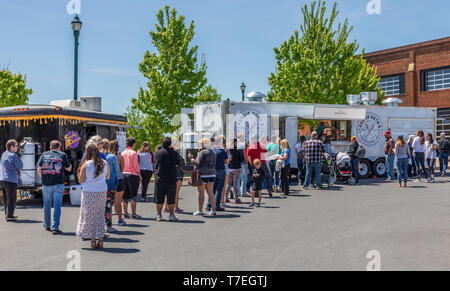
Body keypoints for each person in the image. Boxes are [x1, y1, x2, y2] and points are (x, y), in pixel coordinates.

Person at [76, 144, 110, 249]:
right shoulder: (105, 163)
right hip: (102, 191)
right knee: (100, 215)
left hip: (89, 192)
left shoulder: (86, 164)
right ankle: (100, 239)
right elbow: (108, 177)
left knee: (89, 216)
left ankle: (93, 241)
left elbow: (80, 180)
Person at [36, 140, 72, 234]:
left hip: (46, 184)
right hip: (58, 184)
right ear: (59, 147)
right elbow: (69, 168)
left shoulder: (44, 154)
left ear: (50, 147)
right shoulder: (62, 155)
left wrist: (42, 179)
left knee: (47, 205)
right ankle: (55, 227)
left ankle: (47, 225)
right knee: (57, 206)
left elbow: (39, 169)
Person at [188, 138, 217, 216]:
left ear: (204, 144)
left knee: (201, 193)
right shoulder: (213, 152)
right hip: (212, 174)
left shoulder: (202, 152)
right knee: (211, 193)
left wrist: (191, 158)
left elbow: (197, 163)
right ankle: (213, 211)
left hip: (203, 174)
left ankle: (200, 210)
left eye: (201, 143)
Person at [154, 137, 180, 221]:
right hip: (171, 178)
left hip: (160, 177)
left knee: (159, 199)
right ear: (170, 144)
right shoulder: (174, 153)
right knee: (171, 198)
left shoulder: (157, 153)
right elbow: (178, 163)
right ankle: (171, 215)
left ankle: (159, 215)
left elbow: (156, 164)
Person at [0, 140, 23, 222]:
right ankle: (9, 216)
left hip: (3, 179)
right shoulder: (13, 156)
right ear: (11, 147)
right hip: (11, 179)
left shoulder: (4, 154)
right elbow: (20, 166)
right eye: (16, 146)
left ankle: (8, 214)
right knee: (12, 198)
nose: (17, 147)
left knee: (7, 198)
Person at [121, 137, 142, 219]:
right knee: (133, 195)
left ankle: (125, 213)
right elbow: (136, 166)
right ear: (133, 144)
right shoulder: (134, 153)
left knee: (125, 196)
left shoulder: (122, 153)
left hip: (124, 174)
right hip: (132, 175)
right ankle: (133, 214)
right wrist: (139, 174)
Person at [207, 136, 228, 212]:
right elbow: (226, 162)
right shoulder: (223, 151)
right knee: (219, 189)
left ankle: (209, 204)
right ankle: (217, 205)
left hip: (213, 171)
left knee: (212, 189)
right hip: (221, 171)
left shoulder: (212, 150)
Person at [104, 140, 121, 233]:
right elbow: (117, 171)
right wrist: (119, 182)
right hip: (110, 185)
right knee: (108, 206)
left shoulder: (98, 157)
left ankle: (100, 226)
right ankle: (109, 226)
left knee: (100, 206)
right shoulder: (112, 157)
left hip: (99, 185)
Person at [110, 140, 126, 226]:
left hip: (108, 180)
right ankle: (120, 219)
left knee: (108, 201)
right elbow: (122, 169)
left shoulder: (106, 156)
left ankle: (107, 220)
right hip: (118, 179)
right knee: (118, 201)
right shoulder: (120, 157)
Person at [226, 138, 245, 204]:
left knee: (228, 184)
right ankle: (237, 198)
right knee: (235, 183)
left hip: (229, 168)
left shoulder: (228, 150)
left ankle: (225, 197)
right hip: (237, 167)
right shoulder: (238, 150)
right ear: (235, 142)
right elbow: (242, 159)